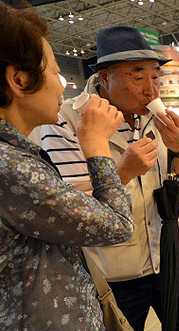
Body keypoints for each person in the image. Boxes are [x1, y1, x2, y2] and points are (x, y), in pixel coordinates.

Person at [35, 26, 179, 330]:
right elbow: (74, 208)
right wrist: (124, 170)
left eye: (155, 76)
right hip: (112, 272)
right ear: (104, 78)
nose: (150, 89)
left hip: (167, 251)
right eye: (137, 77)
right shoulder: (65, 121)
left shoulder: (156, 113)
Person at [0, 4, 133, 329]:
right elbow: (117, 225)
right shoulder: (11, 166)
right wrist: (96, 143)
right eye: (56, 72)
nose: (62, 85)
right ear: (19, 79)